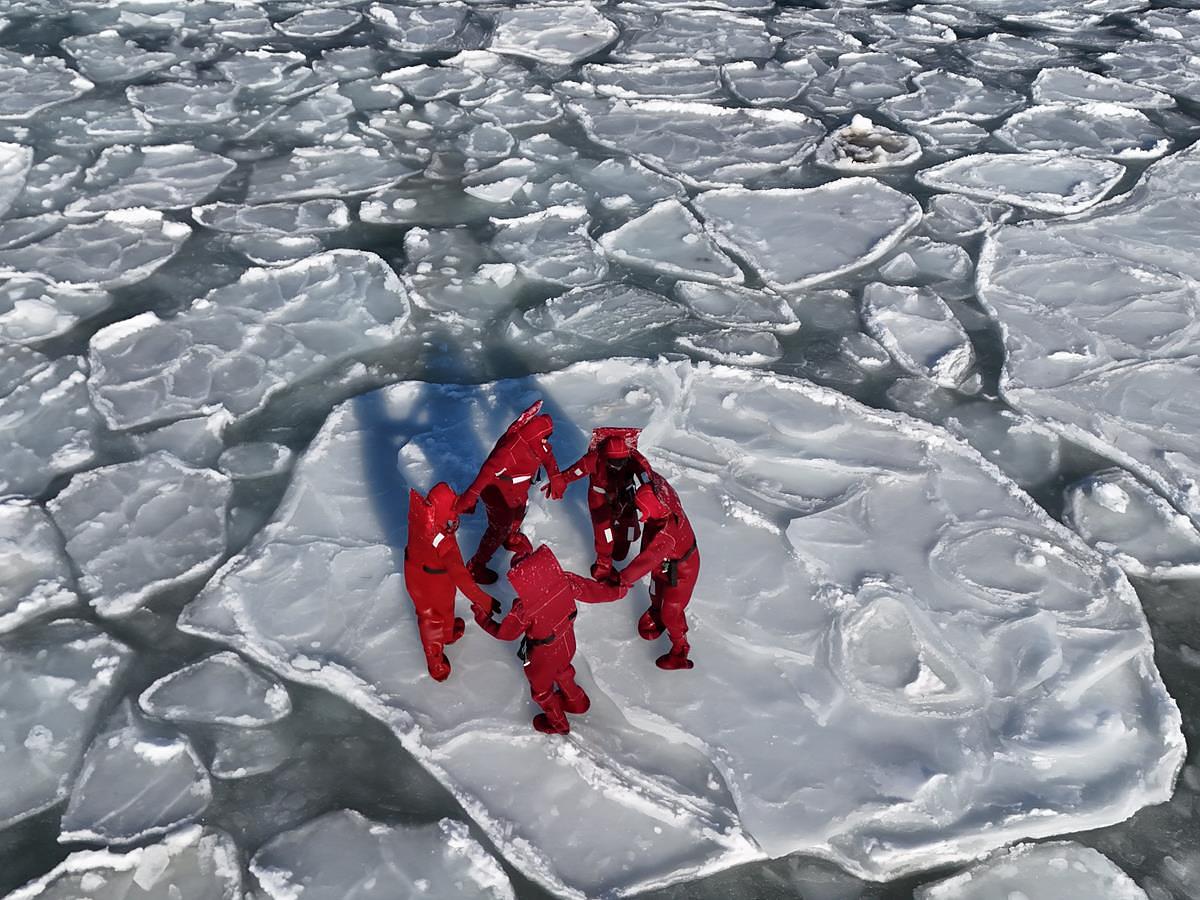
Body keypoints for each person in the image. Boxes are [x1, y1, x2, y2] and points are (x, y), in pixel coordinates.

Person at [474, 543, 626, 734]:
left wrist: (482, 619)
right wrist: (617, 591)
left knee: (542, 691)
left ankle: (558, 723)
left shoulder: (524, 609)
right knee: (564, 670)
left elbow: (505, 634)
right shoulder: (565, 581)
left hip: (542, 657)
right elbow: (592, 591)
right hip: (567, 643)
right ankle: (577, 702)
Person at [456, 401, 563, 585]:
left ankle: (511, 538)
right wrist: (470, 496)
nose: (547, 440)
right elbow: (487, 471)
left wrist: (555, 475)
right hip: (498, 491)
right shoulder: (510, 450)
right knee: (499, 527)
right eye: (546, 437)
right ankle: (476, 565)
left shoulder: (536, 441)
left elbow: (546, 454)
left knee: (519, 512)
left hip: (518, 489)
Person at [405, 482, 498, 682]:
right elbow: (461, 577)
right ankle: (435, 662)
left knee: (446, 607)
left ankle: (447, 634)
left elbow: (451, 508)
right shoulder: (442, 541)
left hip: (421, 571)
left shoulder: (424, 516)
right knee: (431, 618)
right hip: (431, 582)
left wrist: (465, 503)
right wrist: (483, 600)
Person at [613, 475, 698, 671]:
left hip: (683, 571)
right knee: (655, 588)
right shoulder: (663, 496)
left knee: (671, 611)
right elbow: (651, 476)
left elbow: (648, 559)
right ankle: (656, 610)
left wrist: (622, 579)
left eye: (644, 512)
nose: (642, 517)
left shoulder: (667, 534)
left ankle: (680, 650)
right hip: (665, 564)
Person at [548, 428, 654, 581]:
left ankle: (620, 549)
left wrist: (653, 494)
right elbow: (576, 471)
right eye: (614, 462)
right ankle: (603, 567)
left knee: (629, 531)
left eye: (622, 461)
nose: (618, 466)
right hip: (600, 499)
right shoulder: (594, 459)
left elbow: (647, 477)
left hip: (624, 497)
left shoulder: (633, 458)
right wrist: (560, 481)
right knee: (605, 534)